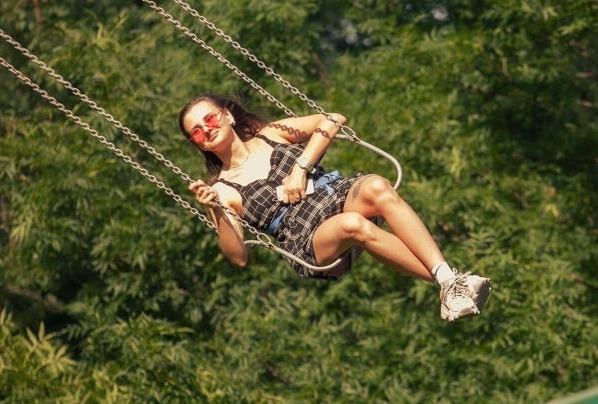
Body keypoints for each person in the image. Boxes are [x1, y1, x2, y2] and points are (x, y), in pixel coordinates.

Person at [179, 94, 490, 321]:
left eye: (210, 119)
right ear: (197, 143)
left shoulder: (271, 134)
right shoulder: (222, 190)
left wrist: (300, 168)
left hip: (335, 194)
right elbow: (238, 257)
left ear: (228, 116)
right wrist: (216, 209)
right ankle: (451, 284)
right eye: (197, 131)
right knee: (353, 224)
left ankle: (449, 282)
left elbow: (332, 119)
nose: (207, 129)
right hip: (309, 237)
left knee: (377, 186)